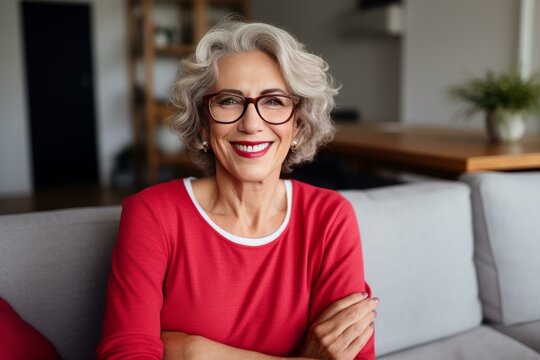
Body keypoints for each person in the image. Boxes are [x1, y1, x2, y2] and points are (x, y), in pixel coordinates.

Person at [97, 18, 376, 360]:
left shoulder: (330, 216)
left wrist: (193, 351)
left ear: (298, 123)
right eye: (228, 101)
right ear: (203, 123)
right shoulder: (153, 215)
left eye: (274, 101)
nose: (252, 123)